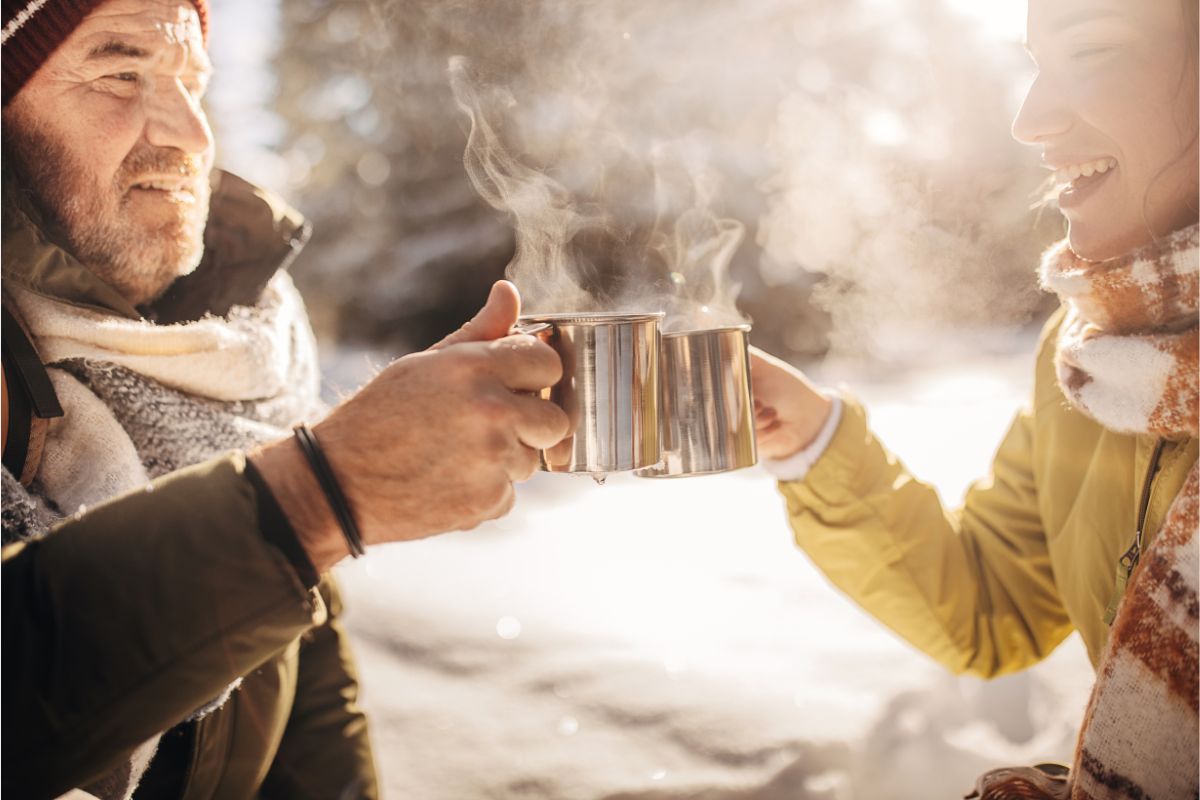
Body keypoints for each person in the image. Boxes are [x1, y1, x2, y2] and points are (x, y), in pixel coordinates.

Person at [0, 1, 569, 798]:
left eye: (192, 83)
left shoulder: (238, 362)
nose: (191, 135)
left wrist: (320, 497)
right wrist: (317, 495)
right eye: (121, 72)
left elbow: (309, 712)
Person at [750, 0, 1198, 796]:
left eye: (1091, 52)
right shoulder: (1094, 357)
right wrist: (813, 440)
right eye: (1034, 64)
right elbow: (994, 606)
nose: (1030, 119)